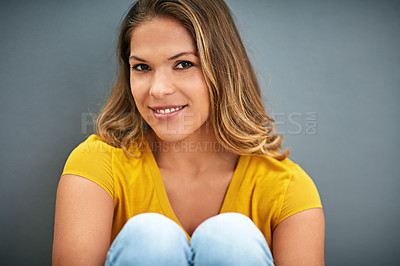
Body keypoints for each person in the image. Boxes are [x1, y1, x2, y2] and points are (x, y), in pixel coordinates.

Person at [52, 0, 325, 265]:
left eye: (183, 64)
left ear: (223, 70)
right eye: (142, 67)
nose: (158, 90)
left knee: (231, 238)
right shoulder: (96, 165)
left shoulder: (287, 189)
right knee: (150, 238)